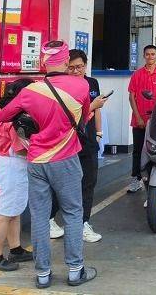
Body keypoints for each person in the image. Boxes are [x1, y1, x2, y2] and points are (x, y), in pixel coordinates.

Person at [0, 41, 97, 289]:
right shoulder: (81, 85)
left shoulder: (31, 91)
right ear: (66, 62)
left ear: (44, 62)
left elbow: (2, 116)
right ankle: (75, 271)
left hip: (36, 160)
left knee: (40, 217)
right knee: (73, 214)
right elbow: (84, 119)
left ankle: (43, 274)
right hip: (65, 160)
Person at [48, 50, 107, 243]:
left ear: (85, 66)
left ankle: (83, 224)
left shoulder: (92, 84)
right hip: (66, 142)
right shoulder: (60, 87)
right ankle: (49, 219)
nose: (76, 71)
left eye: (79, 67)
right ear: (65, 67)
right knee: (62, 184)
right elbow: (68, 115)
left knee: (88, 182)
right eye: (71, 67)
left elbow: (97, 109)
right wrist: (92, 105)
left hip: (88, 140)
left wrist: (99, 133)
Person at [0, 79, 34, 271]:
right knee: (6, 213)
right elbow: (21, 149)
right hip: (12, 166)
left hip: (10, 165)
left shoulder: (11, 113)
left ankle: (15, 249)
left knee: (14, 211)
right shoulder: (17, 119)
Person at [126, 44, 156, 194]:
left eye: (153, 54)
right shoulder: (137, 74)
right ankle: (135, 179)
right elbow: (132, 96)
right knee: (137, 151)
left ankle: (153, 180)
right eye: (147, 54)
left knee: (154, 151)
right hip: (138, 121)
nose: (150, 57)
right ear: (143, 56)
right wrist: (138, 117)